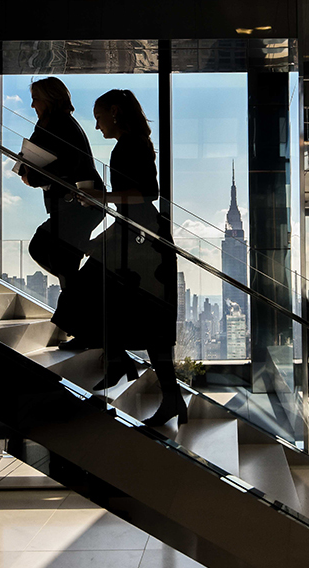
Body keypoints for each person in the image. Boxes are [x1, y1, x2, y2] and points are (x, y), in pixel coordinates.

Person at [68, 88, 185, 426]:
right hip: (139, 235)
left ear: (115, 112)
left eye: (99, 116)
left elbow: (148, 192)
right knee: (143, 315)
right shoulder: (131, 145)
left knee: (95, 294)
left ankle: (130, 367)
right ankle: (142, 376)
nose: (96, 125)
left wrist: (101, 196)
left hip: (140, 238)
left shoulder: (129, 146)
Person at [20, 77, 103, 344]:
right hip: (74, 205)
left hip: (77, 204)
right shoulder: (55, 123)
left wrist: (31, 176)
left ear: (49, 99)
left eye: (36, 98)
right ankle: (86, 330)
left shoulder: (58, 124)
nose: (32, 104)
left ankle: (85, 328)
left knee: (44, 251)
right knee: (66, 268)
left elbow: (62, 166)